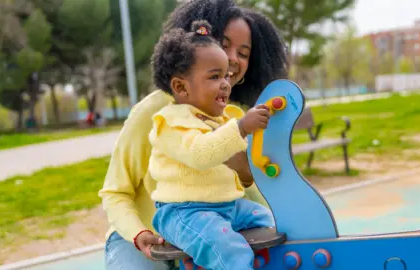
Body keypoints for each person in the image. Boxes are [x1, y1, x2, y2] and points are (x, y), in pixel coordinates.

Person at [99, 1, 288, 269]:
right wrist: (138, 233)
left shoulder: (232, 117)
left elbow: (244, 192)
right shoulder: (158, 112)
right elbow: (115, 192)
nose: (233, 58)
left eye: (244, 53)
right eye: (223, 44)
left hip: (207, 232)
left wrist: (247, 176)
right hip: (143, 237)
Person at [149, 20, 274, 269]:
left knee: (273, 221)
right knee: (229, 251)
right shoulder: (171, 123)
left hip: (228, 206)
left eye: (226, 75)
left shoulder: (226, 117)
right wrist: (240, 128)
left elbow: (245, 163)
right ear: (181, 87)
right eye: (215, 76)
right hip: (184, 213)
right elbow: (200, 154)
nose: (226, 83)